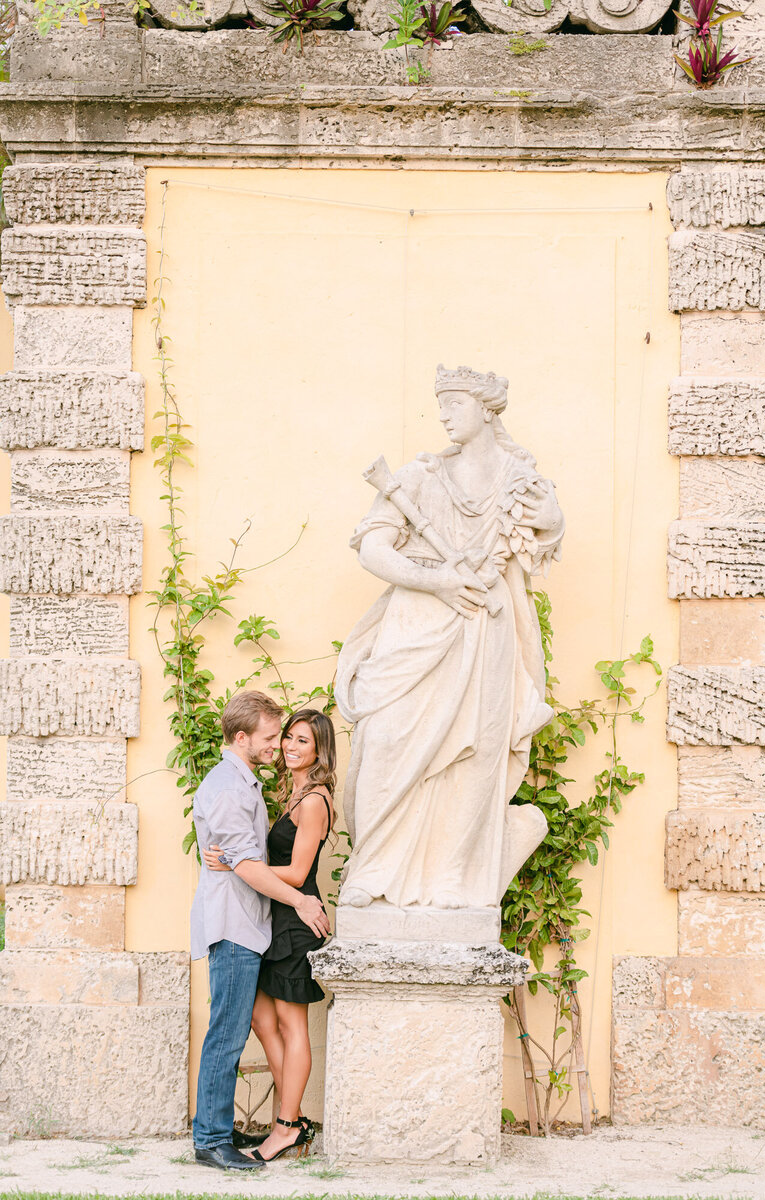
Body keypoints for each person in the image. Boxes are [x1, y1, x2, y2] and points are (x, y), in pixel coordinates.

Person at [333, 364, 565, 912]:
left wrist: (552, 520)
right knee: (387, 737)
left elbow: (544, 539)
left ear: (486, 409)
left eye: (454, 402)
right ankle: (373, 867)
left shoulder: (522, 481)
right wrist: (435, 580)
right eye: (441, 403)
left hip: (487, 625)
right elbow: (373, 547)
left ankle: (451, 877)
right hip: (417, 621)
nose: (443, 414)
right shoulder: (419, 477)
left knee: (476, 751)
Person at [191, 692, 330, 1172]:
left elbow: (247, 858)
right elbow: (251, 864)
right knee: (228, 1034)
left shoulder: (246, 784)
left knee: (234, 1029)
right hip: (236, 925)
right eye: (274, 737)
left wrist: (230, 858)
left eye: (290, 737)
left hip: (255, 925)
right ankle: (211, 1139)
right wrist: (296, 896)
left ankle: (238, 1127)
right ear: (242, 737)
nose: (279, 745)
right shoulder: (232, 787)